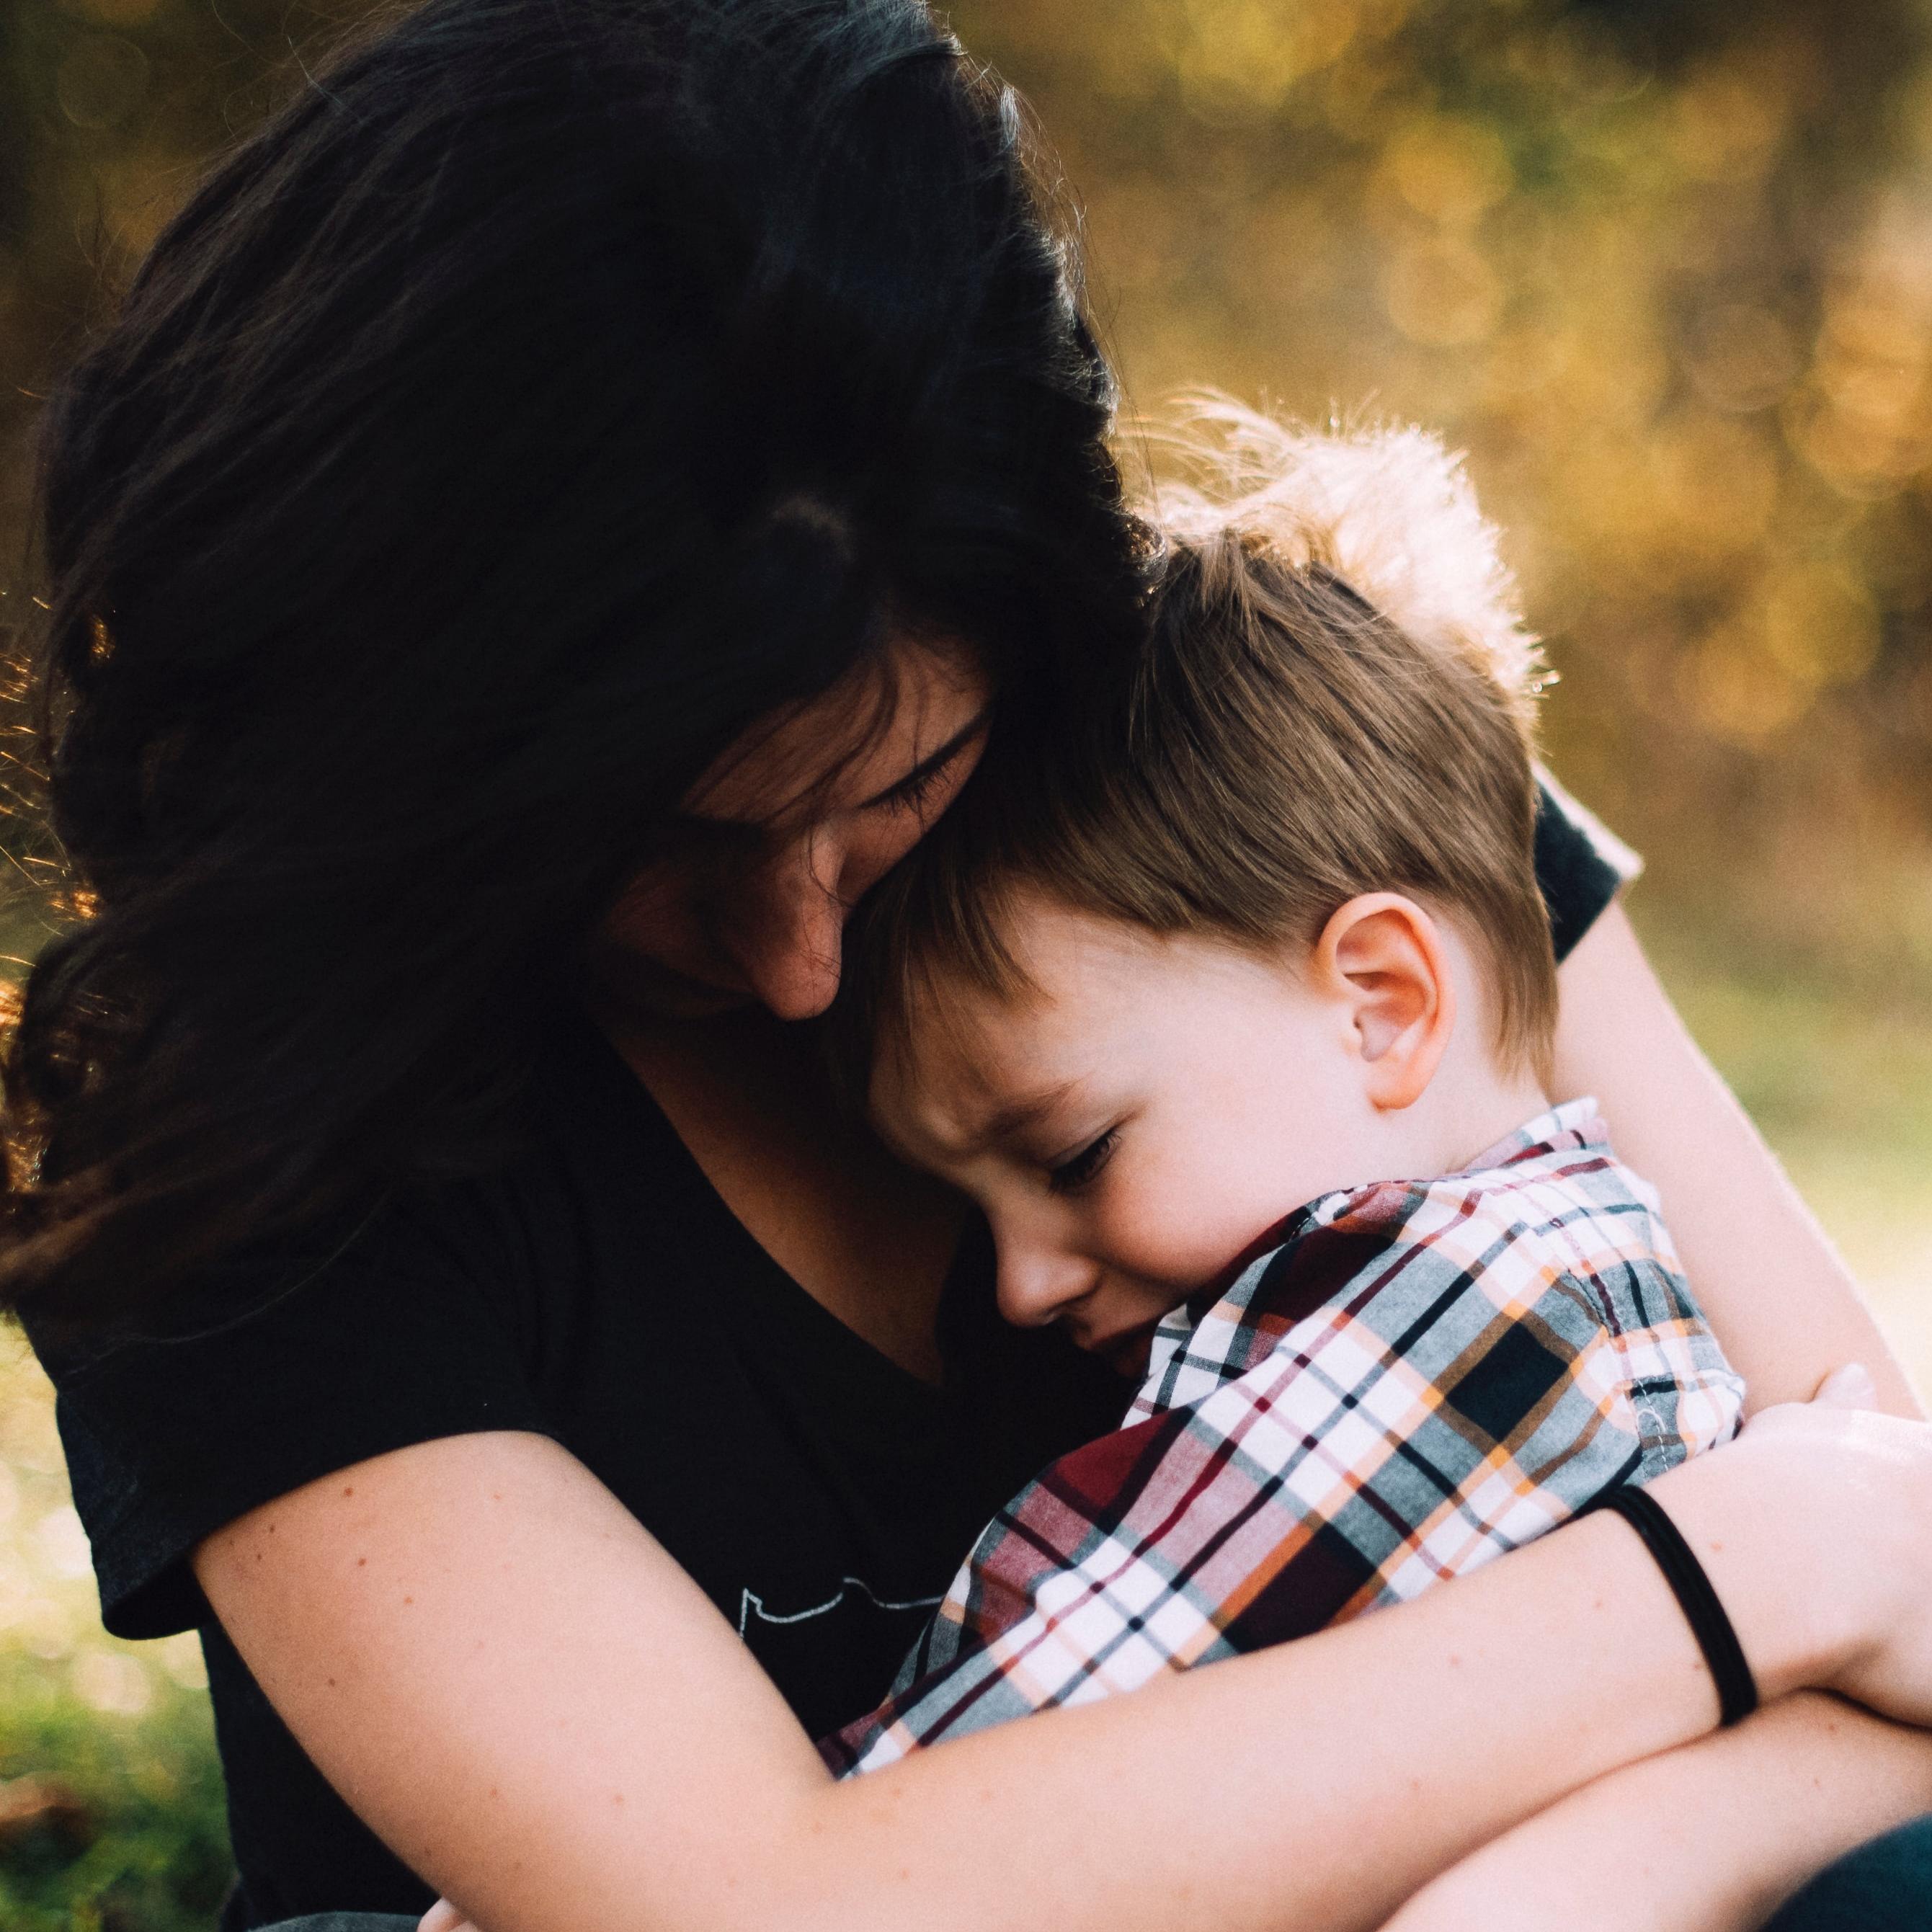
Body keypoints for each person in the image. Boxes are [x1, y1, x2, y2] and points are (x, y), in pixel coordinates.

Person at [5, 4, 1931, 1931]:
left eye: (899, 786)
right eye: (657, 847)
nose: (796, 961)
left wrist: (1598, 1869)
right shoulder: (236, 1132)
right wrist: (1736, 1576)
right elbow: (751, 1910)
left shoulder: (1284, 811)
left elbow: (1913, 1592)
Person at [822, 426, 1748, 1772]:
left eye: (1074, 1155)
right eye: (973, 1207)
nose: (1018, 1284)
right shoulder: (1545, 1277)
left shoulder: (1470, 1311)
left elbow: (1002, 1770)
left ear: (1380, 1002)